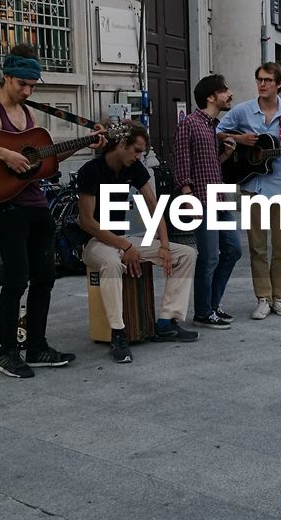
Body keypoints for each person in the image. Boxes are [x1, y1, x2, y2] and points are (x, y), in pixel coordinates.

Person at [0, 44, 101, 379]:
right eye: (22, 84)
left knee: (45, 277)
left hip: (35, 204)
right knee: (16, 279)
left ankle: (36, 346)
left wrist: (80, 144)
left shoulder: (28, 113)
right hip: (7, 208)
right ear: (7, 76)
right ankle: (7, 352)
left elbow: (41, 165)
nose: (28, 91)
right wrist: (5, 156)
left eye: (33, 85)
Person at [77, 124, 198, 364]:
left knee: (186, 254)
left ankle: (166, 321)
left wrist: (164, 245)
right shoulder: (90, 170)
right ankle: (118, 333)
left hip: (123, 241)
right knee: (112, 264)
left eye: (141, 152)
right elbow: (87, 222)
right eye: (136, 150)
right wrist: (126, 246)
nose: (139, 156)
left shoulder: (134, 168)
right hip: (95, 243)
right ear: (121, 144)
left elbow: (154, 207)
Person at [217, 62, 281, 319]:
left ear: (279, 84)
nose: (262, 84)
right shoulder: (243, 111)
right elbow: (216, 129)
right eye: (259, 79)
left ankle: (278, 298)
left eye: (268, 80)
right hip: (252, 187)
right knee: (257, 247)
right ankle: (262, 297)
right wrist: (239, 140)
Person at [172, 73, 241, 329]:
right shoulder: (189, 123)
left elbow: (209, 167)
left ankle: (214, 303)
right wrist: (187, 195)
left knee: (234, 250)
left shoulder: (212, 127)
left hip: (220, 198)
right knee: (209, 257)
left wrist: (224, 155)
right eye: (224, 90)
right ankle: (203, 311)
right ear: (211, 97)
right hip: (201, 200)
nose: (229, 94)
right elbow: (181, 161)